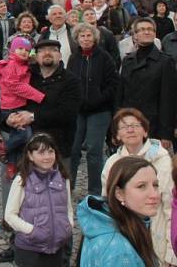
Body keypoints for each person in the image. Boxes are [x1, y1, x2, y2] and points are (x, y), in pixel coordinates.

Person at [101, 108, 176, 266]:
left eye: (135, 125)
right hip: (125, 235)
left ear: (145, 131)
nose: (130, 130)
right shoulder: (112, 163)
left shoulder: (162, 160)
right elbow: (107, 204)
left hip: (157, 236)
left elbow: (171, 207)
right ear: (117, 136)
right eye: (124, 127)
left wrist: (172, 252)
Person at [77, 156, 161, 267]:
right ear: (119, 194)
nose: (154, 194)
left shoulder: (102, 222)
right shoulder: (120, 252)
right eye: (141, 186)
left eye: (155, 185)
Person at [4, 133, 72, 267]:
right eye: (41, 153)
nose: (47, 157)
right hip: (30, 249)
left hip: (56, 248)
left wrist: (68, 226)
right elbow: (10, 215)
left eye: (50, 152)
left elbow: (68, 207)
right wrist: (32, 231)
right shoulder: (21, 180)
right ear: (30, 156)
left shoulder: (63, 178)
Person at [67, 23, 118, 197]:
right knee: (72, 149)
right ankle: (68, 186)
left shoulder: (104, 57)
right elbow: (70, 83)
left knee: (94, 150)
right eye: (82, 36)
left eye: (89, 35)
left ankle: (95, 190)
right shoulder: (74, 58)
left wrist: (99, 99)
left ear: (94, 37)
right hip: (78, 110)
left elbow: (113, 84)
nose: (86, 39)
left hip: (100, 110)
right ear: (77, 39)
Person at [117, 17, 176, 151]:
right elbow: (121, 94)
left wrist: (166, 133)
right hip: (129, 123)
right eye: (142, 29)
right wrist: (116, 126)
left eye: (150, 29)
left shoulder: (165, 62)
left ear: (155, 34)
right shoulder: (128, 60)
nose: (146, 32)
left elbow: (168, 99)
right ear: (135, 35)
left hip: (154, 125)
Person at [0, 36, 42, 175]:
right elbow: (15, 85)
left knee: (20, 139)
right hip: (10, 108)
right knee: (24, 135)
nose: (23, 52)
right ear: (12, 50)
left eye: (27, 50)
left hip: (19, 106)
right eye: (20, 49)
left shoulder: (24, 65)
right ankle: (4, 148)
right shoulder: (11, 65)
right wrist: (38, 95)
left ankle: (11, 165)